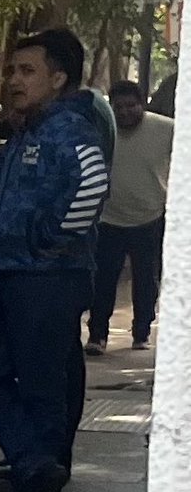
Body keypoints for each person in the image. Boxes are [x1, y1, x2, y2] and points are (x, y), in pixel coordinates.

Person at [0, 28, 109, 492]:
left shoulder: (71, 130)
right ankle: (36, 465)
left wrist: (47, 238)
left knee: (40, 388)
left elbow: (93, 184)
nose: (13, 81)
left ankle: (37, 489)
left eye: (27, 71)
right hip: (14, 277)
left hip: (48, 280)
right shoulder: (29, 131)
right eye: (12, 71)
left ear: (59, 77)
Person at [86, 80, 173, 355]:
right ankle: (97, 335)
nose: (124, 112)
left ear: (142, 104)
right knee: (103, 280)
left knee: (146, 280)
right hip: (108, 219)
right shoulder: (101, 129)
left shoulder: (166, 129)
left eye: (131, 106)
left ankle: (141, 332)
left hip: (150, 217)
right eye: (118, 107)